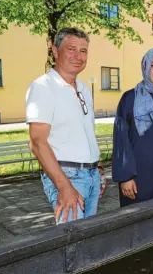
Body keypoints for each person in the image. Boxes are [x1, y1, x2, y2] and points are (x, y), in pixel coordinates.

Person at [26, 27, 105, 224]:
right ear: (55, 50)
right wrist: (64, 186)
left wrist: (98, 168)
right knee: (71, 245)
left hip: (92, 175)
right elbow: (37, 142)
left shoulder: (84, 89)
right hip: (68, 176)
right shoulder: (43, 87)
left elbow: (86, 133)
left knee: (86, 240)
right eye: (71, 49)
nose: (78, 56)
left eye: (84, 51)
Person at [112, 48, 153, 207]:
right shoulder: (129, 97)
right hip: (137, 175)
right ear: (145, 67)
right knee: (136, 225)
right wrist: (125, 177)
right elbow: (121, 139)